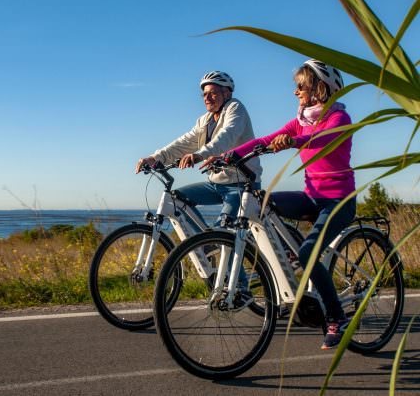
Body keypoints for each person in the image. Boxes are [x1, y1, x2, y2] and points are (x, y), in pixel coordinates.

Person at [202, 59, 355, 350]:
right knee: (262, 202)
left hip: (338, 200)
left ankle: (337, 318)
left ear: (319, 88)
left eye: (300, 86)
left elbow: (321, 138)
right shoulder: (301, 119)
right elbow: (265, 139)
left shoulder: (338, 119)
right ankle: (289, 251)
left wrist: (294, 141)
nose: (295, 92)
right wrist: (229, 155)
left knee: (310, 252)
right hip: (311, 195)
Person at [135, 71, 262, 227]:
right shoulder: (205, 120)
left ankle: (214, 241)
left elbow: (226, 136)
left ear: (227, 93)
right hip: (215, 184)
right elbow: (184, 142)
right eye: (204, 94)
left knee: (222, 231)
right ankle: (203, 245)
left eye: (213, 93)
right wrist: (155, 158)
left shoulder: (235, 108)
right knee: (175, 200)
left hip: (241, 184)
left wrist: (199, 155)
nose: (207, 98)